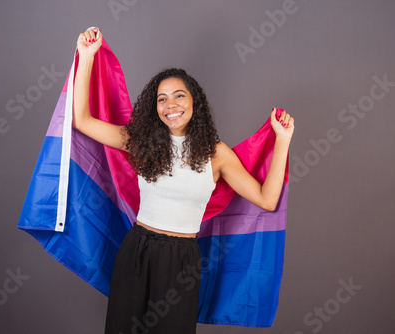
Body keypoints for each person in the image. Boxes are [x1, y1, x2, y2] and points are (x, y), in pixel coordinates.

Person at [74, 27, 294, 334]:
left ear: (195, 102)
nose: (171, 105)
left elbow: (267, 200)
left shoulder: (216, 154)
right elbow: (82, 120)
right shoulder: (141, 141)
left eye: (179, 96)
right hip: (137, 249)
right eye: (162, 99)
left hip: (181, 260)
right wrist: (87, 56)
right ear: (156, 108)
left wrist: (282, 140)